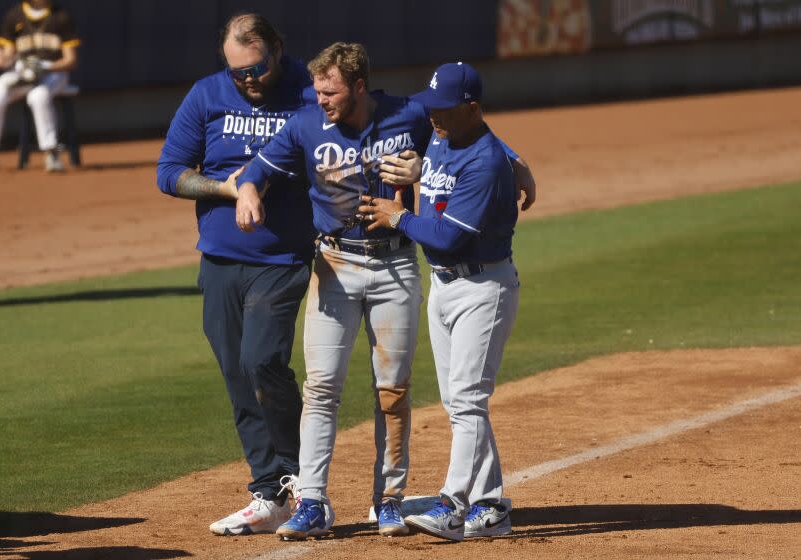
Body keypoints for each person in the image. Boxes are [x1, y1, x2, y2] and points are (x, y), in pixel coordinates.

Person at [236, 43, 534, 541]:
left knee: (393, 393)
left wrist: (514, 160)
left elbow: (469, 131)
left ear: (357, 86)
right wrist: (247, 191)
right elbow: (258, 172)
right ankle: (312, 500)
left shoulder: (409, 114)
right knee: (321, 388)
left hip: (396, 264)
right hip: (333, 263)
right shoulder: (306, 124)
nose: (320, 98)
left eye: (330, 90)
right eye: (316, 89)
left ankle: (389, 500)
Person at [156, 12, 318, 536]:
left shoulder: (308, 91)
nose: (248, 79)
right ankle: (267, 488)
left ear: (278, 48)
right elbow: (169, 172)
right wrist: (226, 189)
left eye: (257, 68)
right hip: (221, 259)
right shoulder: (206, 96)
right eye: (237, 73)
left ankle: (302, 482)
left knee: (262, 359)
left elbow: (371, 126)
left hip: (284, 256)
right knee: (235, 370)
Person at [358, 62, 529, 541]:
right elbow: (462, 152)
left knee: (470, 400)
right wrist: (523, 163)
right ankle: (491, 507)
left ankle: (453, 505)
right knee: (459, 401)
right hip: (445, 288)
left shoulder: (485, 163)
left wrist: (398, 217)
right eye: (429, 106)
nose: (431, 115)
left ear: (471, 108)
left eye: (442, 109)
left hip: (482, 289)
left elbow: (448, 237)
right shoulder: (443, 134)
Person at [0, 0, 79, 172]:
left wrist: (46, 66)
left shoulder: (61, 16)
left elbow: (70, 60)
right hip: (23, 74)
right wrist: (5, 59)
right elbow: (6, 56)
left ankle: (51, 153)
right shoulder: (14, 16)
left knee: (38, 96)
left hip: (54, 73)